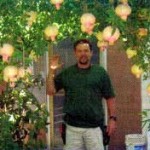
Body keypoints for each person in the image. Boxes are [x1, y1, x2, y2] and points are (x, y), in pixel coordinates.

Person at [47, 39, 117, 150]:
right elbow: (50, 91)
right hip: (72, 129)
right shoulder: (68, 73)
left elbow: (110, 97)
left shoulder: (100, 73)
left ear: (91, 53)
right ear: (75, 53)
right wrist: (51, 71)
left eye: (86, 50)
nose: (83, 54)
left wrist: (112, 119)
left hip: (94, 128)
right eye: (79, 51)